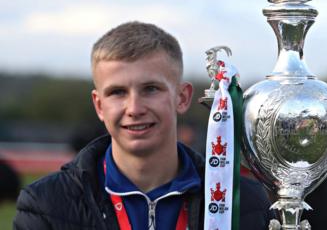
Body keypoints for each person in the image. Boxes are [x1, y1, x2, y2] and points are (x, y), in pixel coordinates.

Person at [14, 21, 273, 229]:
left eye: (150, 89)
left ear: (181, 97)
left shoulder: (244, 203)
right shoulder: (46, 204)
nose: (135, 108)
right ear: (99, 105)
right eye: (117, 92)